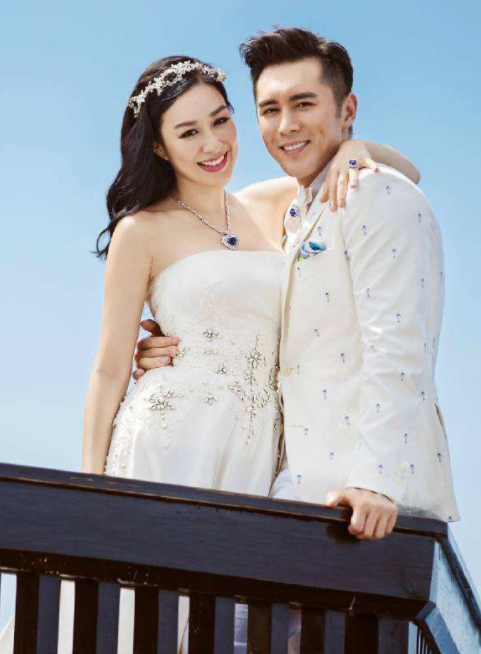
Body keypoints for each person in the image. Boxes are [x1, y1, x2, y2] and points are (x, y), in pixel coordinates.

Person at [0, 49, 424, 654]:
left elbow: (408, 170)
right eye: (189, 132)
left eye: (221, 120)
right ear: (158, 146)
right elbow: (110, 365)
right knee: (132, 616)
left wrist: (353, 150)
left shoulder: (270, 203)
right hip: (168, 437)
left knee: (214, 623)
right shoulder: (140, 230)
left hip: (255, 447)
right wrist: (90, 493)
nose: (213, 143)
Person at [137, 29, 460, 541]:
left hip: (366, 502)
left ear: (347, 109)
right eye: (270, 110)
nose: (286, 125)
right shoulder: (292, 210)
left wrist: (376, 481)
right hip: (293, 485)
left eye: (303, 104)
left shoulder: (377, 195)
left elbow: (399, 348)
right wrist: (187, 344)